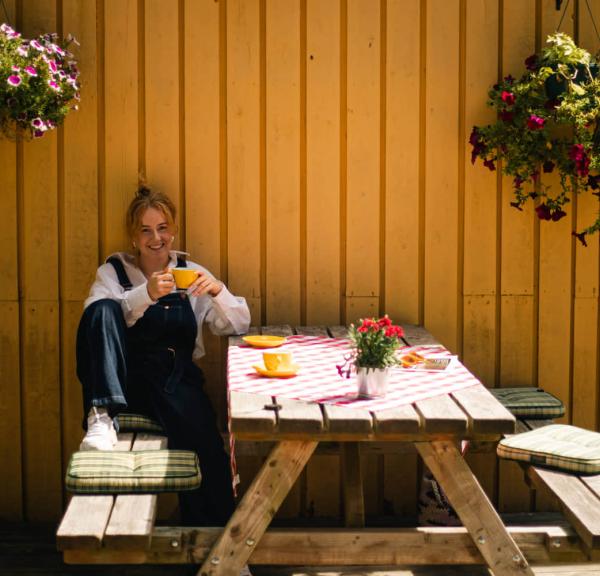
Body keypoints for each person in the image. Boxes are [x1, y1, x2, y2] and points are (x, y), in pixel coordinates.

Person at [76, 184, 251, 533]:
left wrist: (216, 290)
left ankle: (220, 552)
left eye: (162, 228)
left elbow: (237, 323)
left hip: (177, 381)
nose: (156, 238)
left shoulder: (192, 271)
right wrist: (145, 294)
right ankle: (101, 415)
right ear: (133, 237)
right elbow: (95, 321)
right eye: (145, 230)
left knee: (209, 454)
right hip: (128, 385)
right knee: (102, 309)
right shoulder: (114, 272)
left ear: (173, 231)